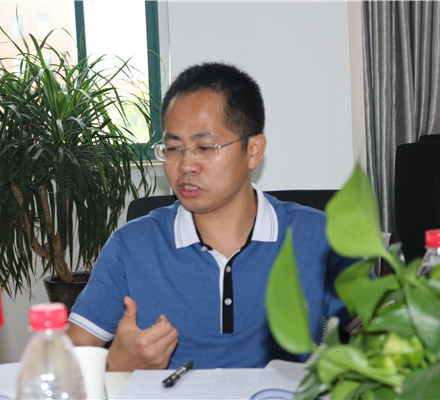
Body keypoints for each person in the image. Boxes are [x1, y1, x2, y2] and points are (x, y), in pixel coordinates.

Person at [68, 62, 352, 371]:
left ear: (253, 151)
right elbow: (67, 362)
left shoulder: (319, 236)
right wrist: (117, 365)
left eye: (204, 147)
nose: (185, 165)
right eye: (173, 148)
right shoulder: (131, 246)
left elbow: (383, 332)